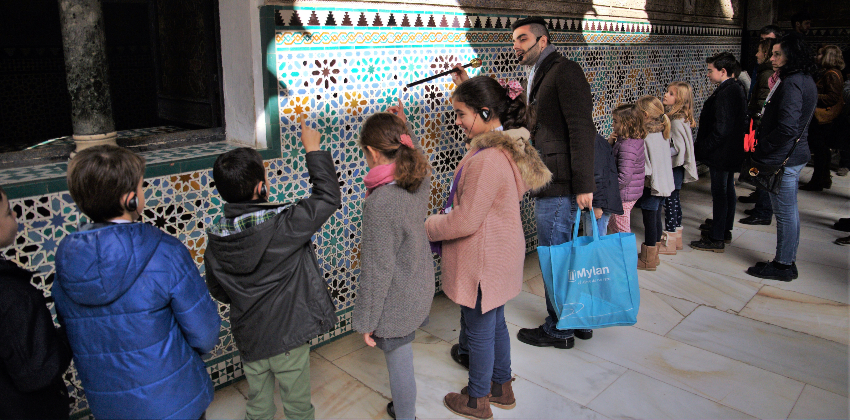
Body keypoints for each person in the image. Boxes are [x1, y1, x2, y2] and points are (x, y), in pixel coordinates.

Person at [54, 146, 221, 420]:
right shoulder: (165, 252)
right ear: (130, 200)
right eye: (141, 187)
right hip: (175, 401)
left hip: (110, 406)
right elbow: (205, 333)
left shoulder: (66, 264)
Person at [426, 75, 551, 420]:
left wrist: (429, 225)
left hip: (483, 260)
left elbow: (466, 220)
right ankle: (501, 387)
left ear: (484, 112)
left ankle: (477, 399)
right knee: (495, 324)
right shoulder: (509, 147)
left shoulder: (486, 159)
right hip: (501, 252)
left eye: (461, 114)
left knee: (480, 330)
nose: (457, 121)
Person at [204, 119, 340, 420]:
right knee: (297, 407)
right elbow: (328, 197)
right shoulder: (284, 224)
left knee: (258, 405)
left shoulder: (215, 241)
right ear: (261, 187)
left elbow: (217, 290)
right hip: (288, 337)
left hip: (249, 338)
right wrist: (313, 150)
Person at [353, 110, 434, 420]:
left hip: (398, 298)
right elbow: (416, 156)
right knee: (403, 356)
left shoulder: (381, 202)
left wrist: (366, 321)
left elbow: (377, 270)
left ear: (372, 152)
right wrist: (406, 128)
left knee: (400, 362)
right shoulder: (418, 178)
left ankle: (406, 414)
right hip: (419, 283)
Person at [745, 35, 818, 281]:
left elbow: (787, 127)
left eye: (777, 54)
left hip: (784, 156)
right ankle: (787, 260)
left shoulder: (792, 82)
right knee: (789, 212)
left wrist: (763, 146)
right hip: (792, 153)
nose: (772, 58)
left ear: (791, 56)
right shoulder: (803, 78)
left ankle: (783, 265)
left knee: (785, 213)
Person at [0, 185, 72, 419]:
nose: (14, 215)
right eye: (7, 212)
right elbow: (39, 371)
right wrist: (68, 335)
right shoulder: (13, 296)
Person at [691, 52, 747, 252]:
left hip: (722, 153)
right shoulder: (735, 87)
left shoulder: (726, 92)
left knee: (720, 193)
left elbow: (721, 129)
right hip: (729, 151)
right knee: (728, 190)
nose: (707, 74)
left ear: (723, 71)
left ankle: (717, 237)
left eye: (710, 71)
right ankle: (724, 228)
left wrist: (704, 148)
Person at [740, 38, 779, 226]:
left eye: (760, 51)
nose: (756, 54)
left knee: (761, 169)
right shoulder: (766, 73)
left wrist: (755, 126)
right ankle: (761, 205)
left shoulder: (767, 75)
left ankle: (763, 210)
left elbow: (763, 105)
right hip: (759, 128)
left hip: (760, 130)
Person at [635, 95, 674, 270]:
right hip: (664, 183)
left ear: (644, 115)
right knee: (657, 218)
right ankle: (654, 255)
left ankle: (648, 260)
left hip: (652, 186)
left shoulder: (645, 137)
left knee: (650, 220)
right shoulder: (662, 132)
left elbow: (646, 168)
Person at [660, 81, 698, 254]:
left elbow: (677, 148)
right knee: (675, 202)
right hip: (678, 168)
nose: (665, 95)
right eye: (667, 91)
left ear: (680, 99)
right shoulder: (682, 119)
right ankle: (677, 239)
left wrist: (660, 153)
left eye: (671, 93)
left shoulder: (675, 121)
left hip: (674, 167)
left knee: (670, 203)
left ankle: (669, 242)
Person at [800, 45, 845, 191]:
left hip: (823, 119)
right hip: (825, 119)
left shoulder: (831, 74)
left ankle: (818, 181)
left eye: (820, 54)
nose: (817, 57)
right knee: (822, 150)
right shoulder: (830, 73)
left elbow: (832, 97)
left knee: (820, 150)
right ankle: (823, 178)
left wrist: (812, 95)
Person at [609, 104, 646, 234]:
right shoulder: (629, 140)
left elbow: (624, 177)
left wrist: (609, 189)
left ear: (627, 124)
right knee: (614, 224)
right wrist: (610, 143)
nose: (612, 125)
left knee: (622, 229)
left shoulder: (627, 146)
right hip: (627, 192)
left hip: (624, 194)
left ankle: (626, 248)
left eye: (615, 121)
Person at [582, 132, 624, 237]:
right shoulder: (594, 140)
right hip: (595, 201)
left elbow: (599, 175)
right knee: (590, 240)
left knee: (595, 241)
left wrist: (597, 205)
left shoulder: (594, 142)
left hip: (599, 203)